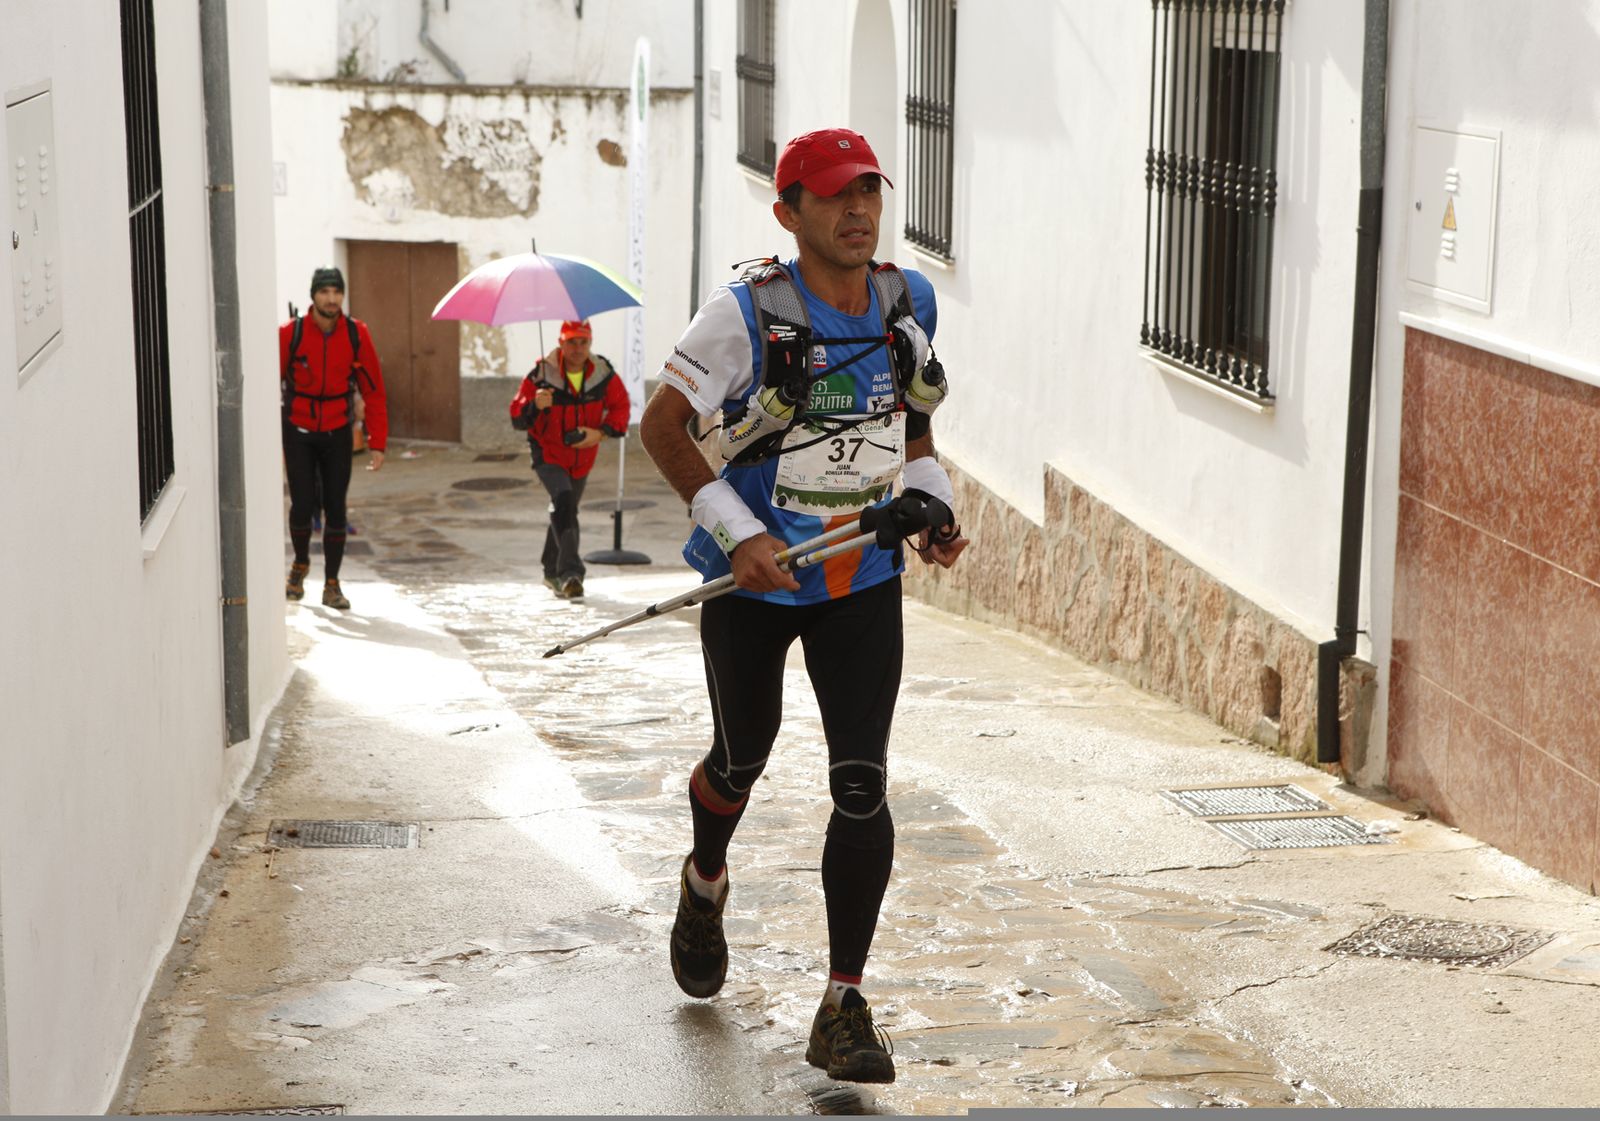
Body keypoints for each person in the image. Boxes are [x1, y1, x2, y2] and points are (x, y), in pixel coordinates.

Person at [639, 127, 968, 1085]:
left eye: (869, 191)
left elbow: (913, 429)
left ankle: (842, 1003)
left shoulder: (908, 301)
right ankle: (705, 881)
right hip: (755, 580)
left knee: (862, 782)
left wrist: (935, 506)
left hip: (860, 576)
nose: (858, 210)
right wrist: (740, 534)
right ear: (789, 213)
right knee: (740, 756)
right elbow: (661, 427)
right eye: (833, 196)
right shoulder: (744, 315)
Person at [279, 266, 387, 611]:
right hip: (298, 429)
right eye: (324, 292)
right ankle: (299, 564)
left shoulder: (356, 334)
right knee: (302, 503)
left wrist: (378, 441)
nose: (331, 298)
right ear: (313, 296)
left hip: (338, 430)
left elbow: (374, 389)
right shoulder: (291, 333)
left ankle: (332, 583)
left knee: (336, 506)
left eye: (336, 292)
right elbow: (269, 380)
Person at [510, 319, 630, 599]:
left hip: (583, 456)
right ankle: (570, 574)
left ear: (590, 342)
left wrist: (600, 433)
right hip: (547, 452)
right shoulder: (541, 375)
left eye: (583, 342)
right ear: (560, 343)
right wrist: (534, 405)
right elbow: (517, 417)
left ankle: (550, 570)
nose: (578, 348)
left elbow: (621, 407)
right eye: (571, 342)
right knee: (564, 500)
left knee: (565, 509)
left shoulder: (603, 374)